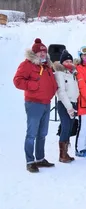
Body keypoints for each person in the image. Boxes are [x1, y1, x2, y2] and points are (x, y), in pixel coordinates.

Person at [13, 38, 57, 173]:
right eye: (40, 52)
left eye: (44, 52)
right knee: (32, 133)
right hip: (34, 103)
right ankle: (30, 161)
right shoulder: (27, 65)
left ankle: (40, 158)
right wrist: (33, 85)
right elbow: (17, 81)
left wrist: (53, 89)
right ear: (34, 53)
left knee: (42, 133)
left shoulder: (47, 65)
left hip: (45, 103)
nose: (42, 54)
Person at [54, 50, 79, 163]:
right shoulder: (60, 74)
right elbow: (61, 92)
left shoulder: (72, 74)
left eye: (70, 61)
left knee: (69, 128)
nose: (69, 63)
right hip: (64, 104)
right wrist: (69, 107)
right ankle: (62, 154)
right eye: (66, 61)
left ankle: (66, 152)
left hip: (73, 103)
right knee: (65, 127)